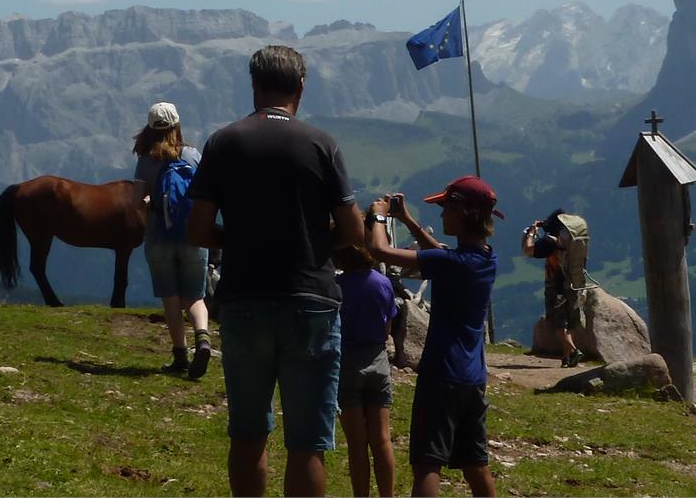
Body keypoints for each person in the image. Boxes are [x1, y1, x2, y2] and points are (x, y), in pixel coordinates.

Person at [188, 45, 364, 498]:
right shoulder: (322, 144)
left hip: (244, 300)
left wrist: (238, 241)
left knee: (248, 435)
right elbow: (354, 230)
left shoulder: (223, 142)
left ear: (254, 85)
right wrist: (314, 242)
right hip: (311, 301)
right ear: (301, 87)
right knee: (307, 445)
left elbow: (200, 228)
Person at [366, 177, 500, 498]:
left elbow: (378, 249)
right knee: (475, 464)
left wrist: (378, 215)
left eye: (446, 208)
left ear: (464, 213)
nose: (441, 216)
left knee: (428, 464)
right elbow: (441, 253)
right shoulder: (486, 258)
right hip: (472, 379)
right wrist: (409, 221)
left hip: (441, 376)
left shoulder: (449, 263)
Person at [133, 101, 212, 378]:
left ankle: (180, 354)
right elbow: (207, 196)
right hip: (193, 236)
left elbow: (136, 204)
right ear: (177, 124)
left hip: (158, 237)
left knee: (171, 297)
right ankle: (203, 337)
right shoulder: (192, 155)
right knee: (195, 296)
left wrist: (148, 211)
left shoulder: (145, 160)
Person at [334, 243, 397, 497]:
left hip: (347, 361)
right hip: (378, 359)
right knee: (381, 439)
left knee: (357, 443)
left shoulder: (337, 286)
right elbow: (388, 326)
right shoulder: (382, 283)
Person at [524, 211, 580, 367]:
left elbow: (528, 250)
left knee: (557, 322)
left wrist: (531, 233)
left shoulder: (551, 241)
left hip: (556, 284)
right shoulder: (572, 238)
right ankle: (567, 357)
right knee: (571, 322)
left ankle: (574, 351)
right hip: (574, 282)